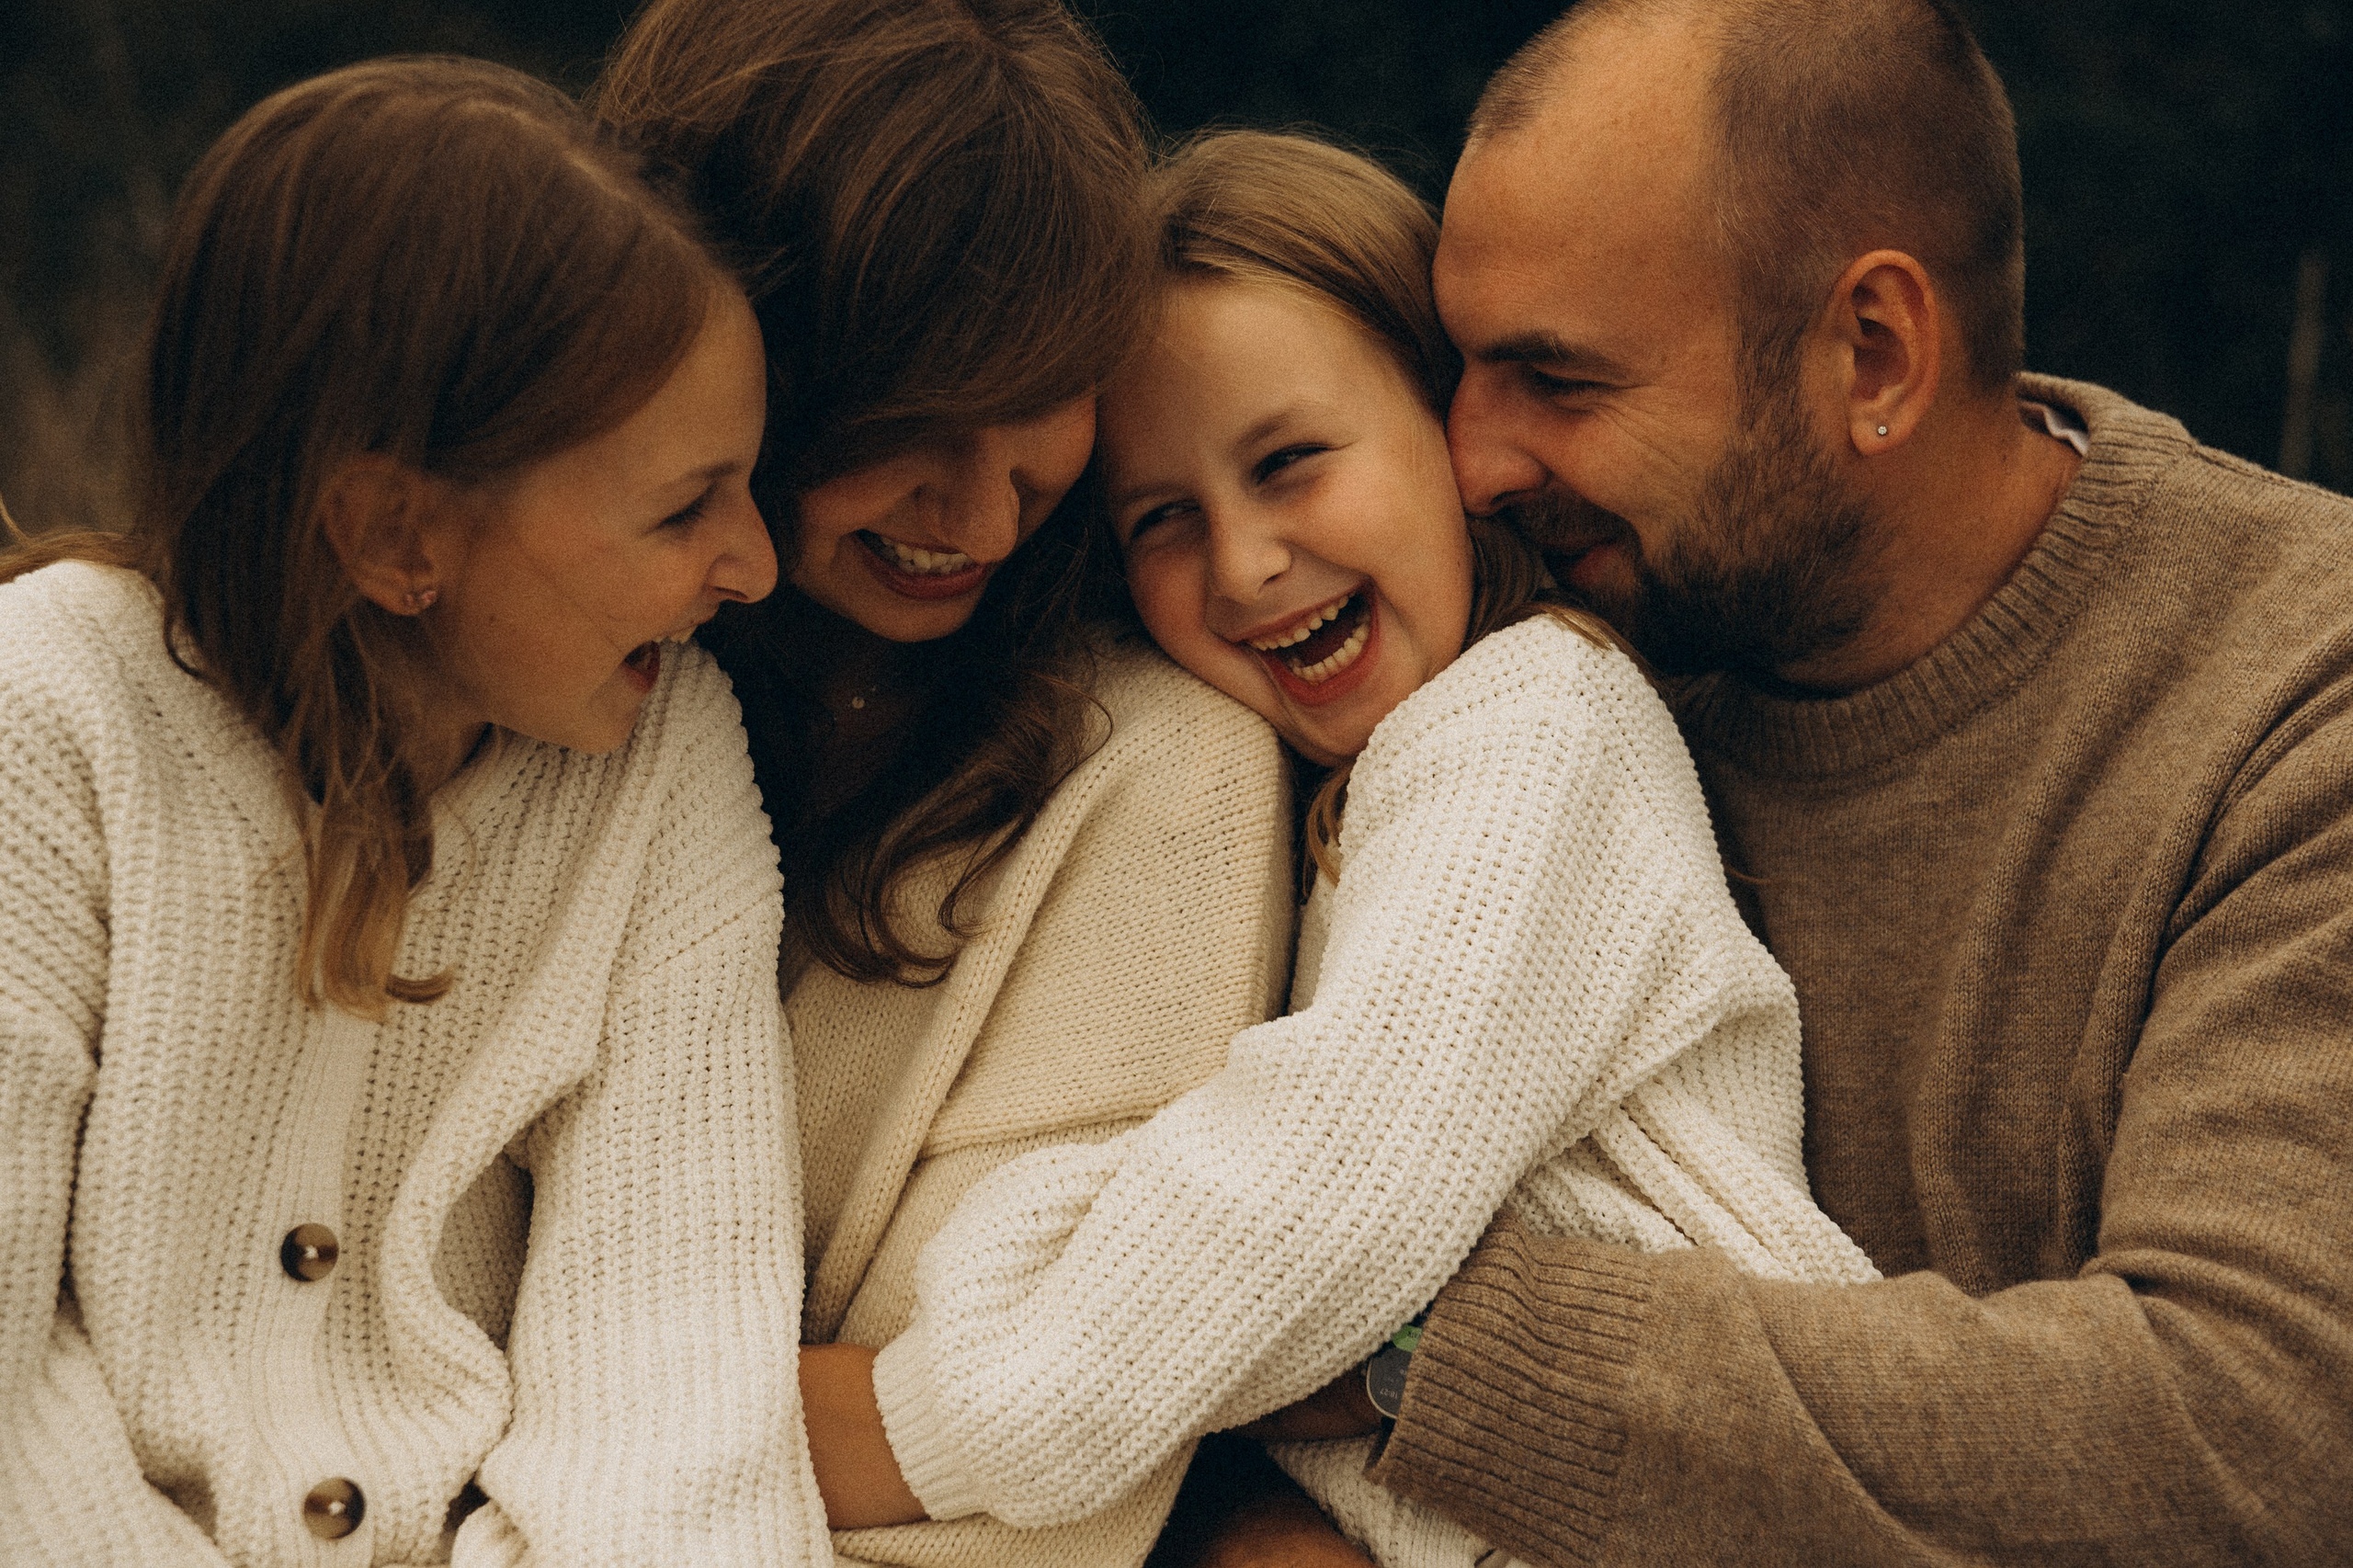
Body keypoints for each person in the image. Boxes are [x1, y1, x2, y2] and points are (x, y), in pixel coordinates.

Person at [1233, 1, 2353, 1563]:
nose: (1473, 462)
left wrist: (1392, 1347)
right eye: (1462, 368)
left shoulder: (2300, 699)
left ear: (1874, 352)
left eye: (1557, 378)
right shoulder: (1501, 638)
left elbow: (2248, 1434)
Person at [835, 127, 1877, 1568]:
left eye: (1290, 463)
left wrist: (915, 1417)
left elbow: (1325, 1189)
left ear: (1450, 436)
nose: (1246, 561)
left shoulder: (1535, 724)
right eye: (1164, 520)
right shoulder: (1335, 789)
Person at [0, 59, 829, 1566]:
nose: (755, 565)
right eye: (683, 507)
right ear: (395, 535)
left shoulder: (659, 755)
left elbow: (678, 1367)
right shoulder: (45, 716)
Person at [597, 6, 1298, 1566]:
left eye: (1041, 400)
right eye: (911, 422)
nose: (981, 516)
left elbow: (1018, 1513)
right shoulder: (546, 705)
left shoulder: (1155, 775)